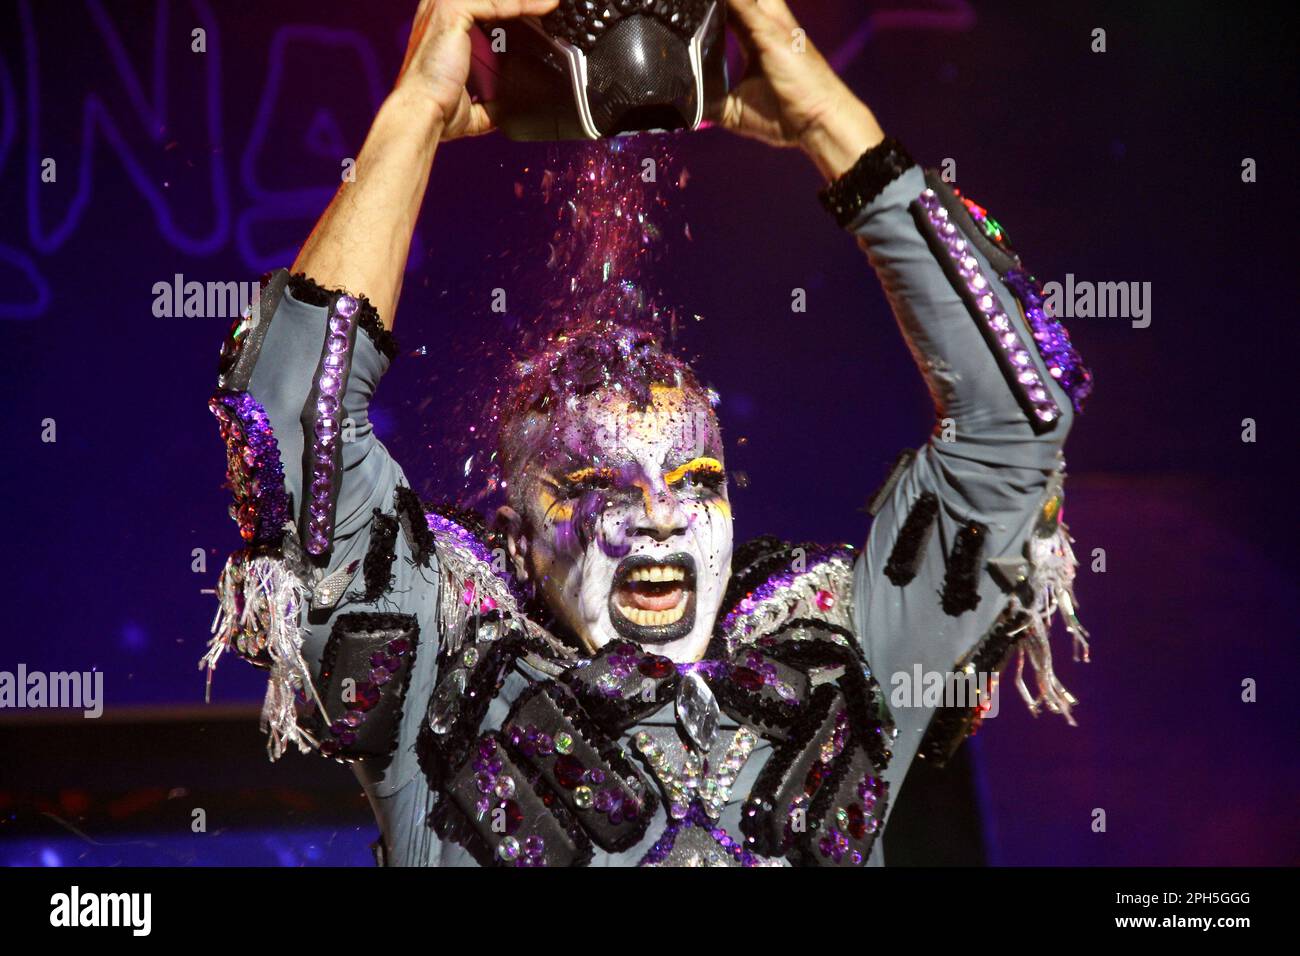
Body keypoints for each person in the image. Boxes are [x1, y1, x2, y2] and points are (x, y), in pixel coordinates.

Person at [203, 0, 1093, 867]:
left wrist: (827, 117)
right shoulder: (445, 686)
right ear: (516, 541)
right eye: (596, 488)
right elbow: (289, 428)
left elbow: (1020, 415)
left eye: (698, 477)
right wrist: (417, 107)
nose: (661, 515)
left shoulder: (850, 671)